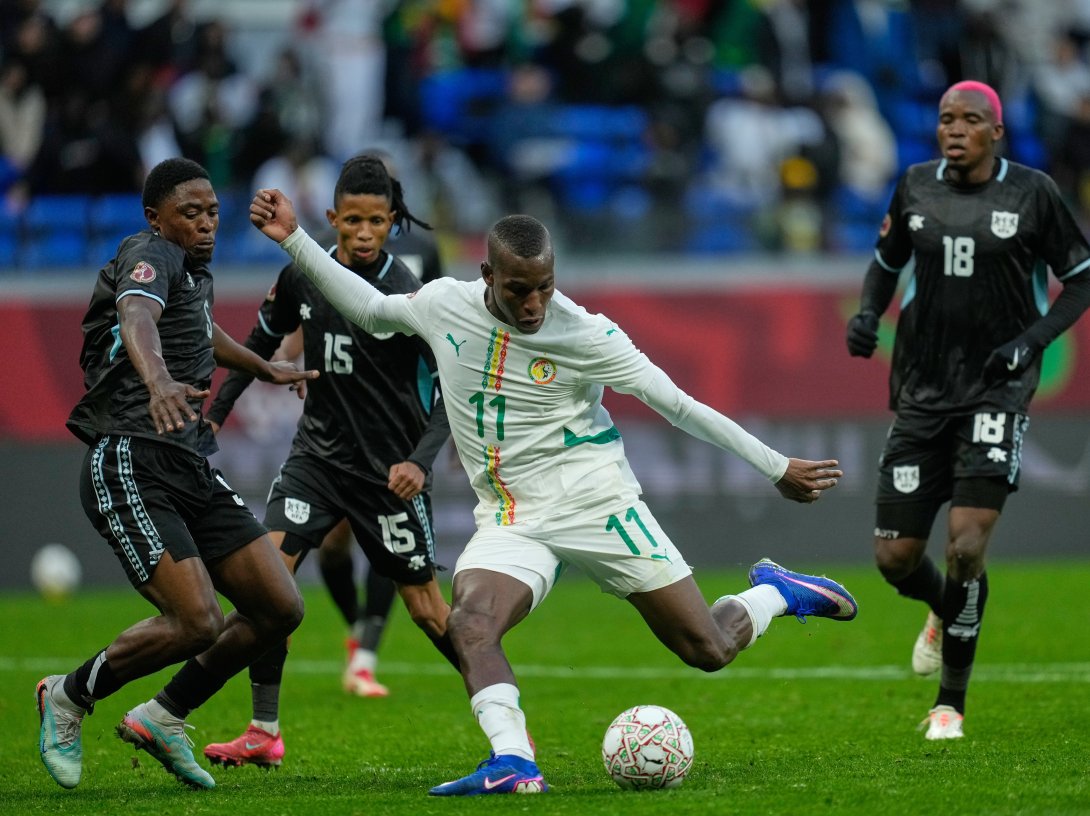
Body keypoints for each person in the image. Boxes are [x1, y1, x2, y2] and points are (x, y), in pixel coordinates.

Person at [249, 187, 860, 796]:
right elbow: (370, 309)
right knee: (470, 622)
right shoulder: (443, 304)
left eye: (545, 284)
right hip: (512, 515)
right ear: (487, 274)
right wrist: (296, 240)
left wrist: (777, 466)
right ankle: (514, 762)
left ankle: (776, 594)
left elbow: (678, 405)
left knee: (707, 648)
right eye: (519, 289)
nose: (536, 301)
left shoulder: (588, 334)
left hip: (597, 502)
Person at [36, 157, 318, 791]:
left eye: (213, 211)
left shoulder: (189, 272)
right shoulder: (149, 252)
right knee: (197, 621)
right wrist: (158, 379)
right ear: (155, 217)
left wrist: (264, 366)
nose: (206, 223)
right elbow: (138, 316)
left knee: (278, 606)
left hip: (187, 461)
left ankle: (162, 716)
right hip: (131, 458)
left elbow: (202, 328)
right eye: (190, 213)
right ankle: (67, 696)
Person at [845, 80, 1090, 740]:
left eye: (970, 120)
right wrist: (869, 313)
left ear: (996, 133)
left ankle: (949, 703)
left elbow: (1083, 278)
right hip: (921, 391)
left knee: (965, 546)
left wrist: (1029, 342)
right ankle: (944, 608)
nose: (954, 129)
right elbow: (884, 262)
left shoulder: (1032, 194)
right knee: (895, 559)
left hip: (995, 392)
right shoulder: (916, 186)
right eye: (946, 118)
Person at [201, 154, 454, 769]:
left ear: (392, 222)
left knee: (426, 609)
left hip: (389, 471)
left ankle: (502, 701)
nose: (362, 234)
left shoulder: (409, 295)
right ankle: (264, 729)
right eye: (352, 223)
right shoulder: (303, 276)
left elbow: (453, 384)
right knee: (268, 587)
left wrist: (420, 461)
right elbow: (258, 346)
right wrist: (212, 415)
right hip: (316, 458)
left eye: (375, 223)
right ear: (332, 218)